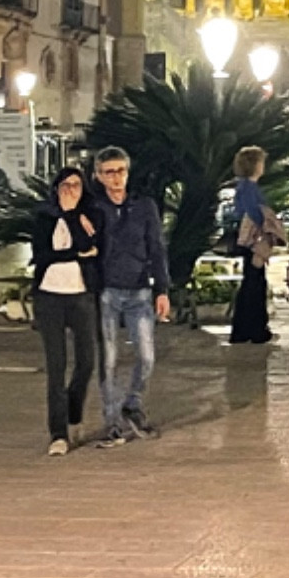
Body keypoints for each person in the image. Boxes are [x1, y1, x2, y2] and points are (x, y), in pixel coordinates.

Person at [90, 148, 171, 446]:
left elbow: (157, 247)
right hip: (107, 290)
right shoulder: (95, 208)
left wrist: (162, 289)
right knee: (109, 359)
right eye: (109, 172)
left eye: (120, 171)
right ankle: (112, 420)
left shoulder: (144, 206)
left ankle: (133, 404)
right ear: (98, 175)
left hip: (139, 289)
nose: (116, 178)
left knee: (146, 355)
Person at [31, 166, 100, 456]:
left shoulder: (88, 216)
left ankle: (74, 411)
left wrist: (72, 215)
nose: (71, 190)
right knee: (56, 366)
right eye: (65, 185)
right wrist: (74, 254)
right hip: (49, 296)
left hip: (80, 295)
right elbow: (42, 254)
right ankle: (58, 433)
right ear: (56, 188)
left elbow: (91, 246)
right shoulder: (43, 217)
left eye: (76, 185)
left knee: (86, 362)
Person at [227, 147, 279, 344]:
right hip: (253, 241)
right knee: (254, 283)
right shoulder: (249, 188)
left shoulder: (244, 186)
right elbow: (253, 213)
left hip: (249, 240)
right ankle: (253, 328)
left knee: (252, 281)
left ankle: (246, 328)